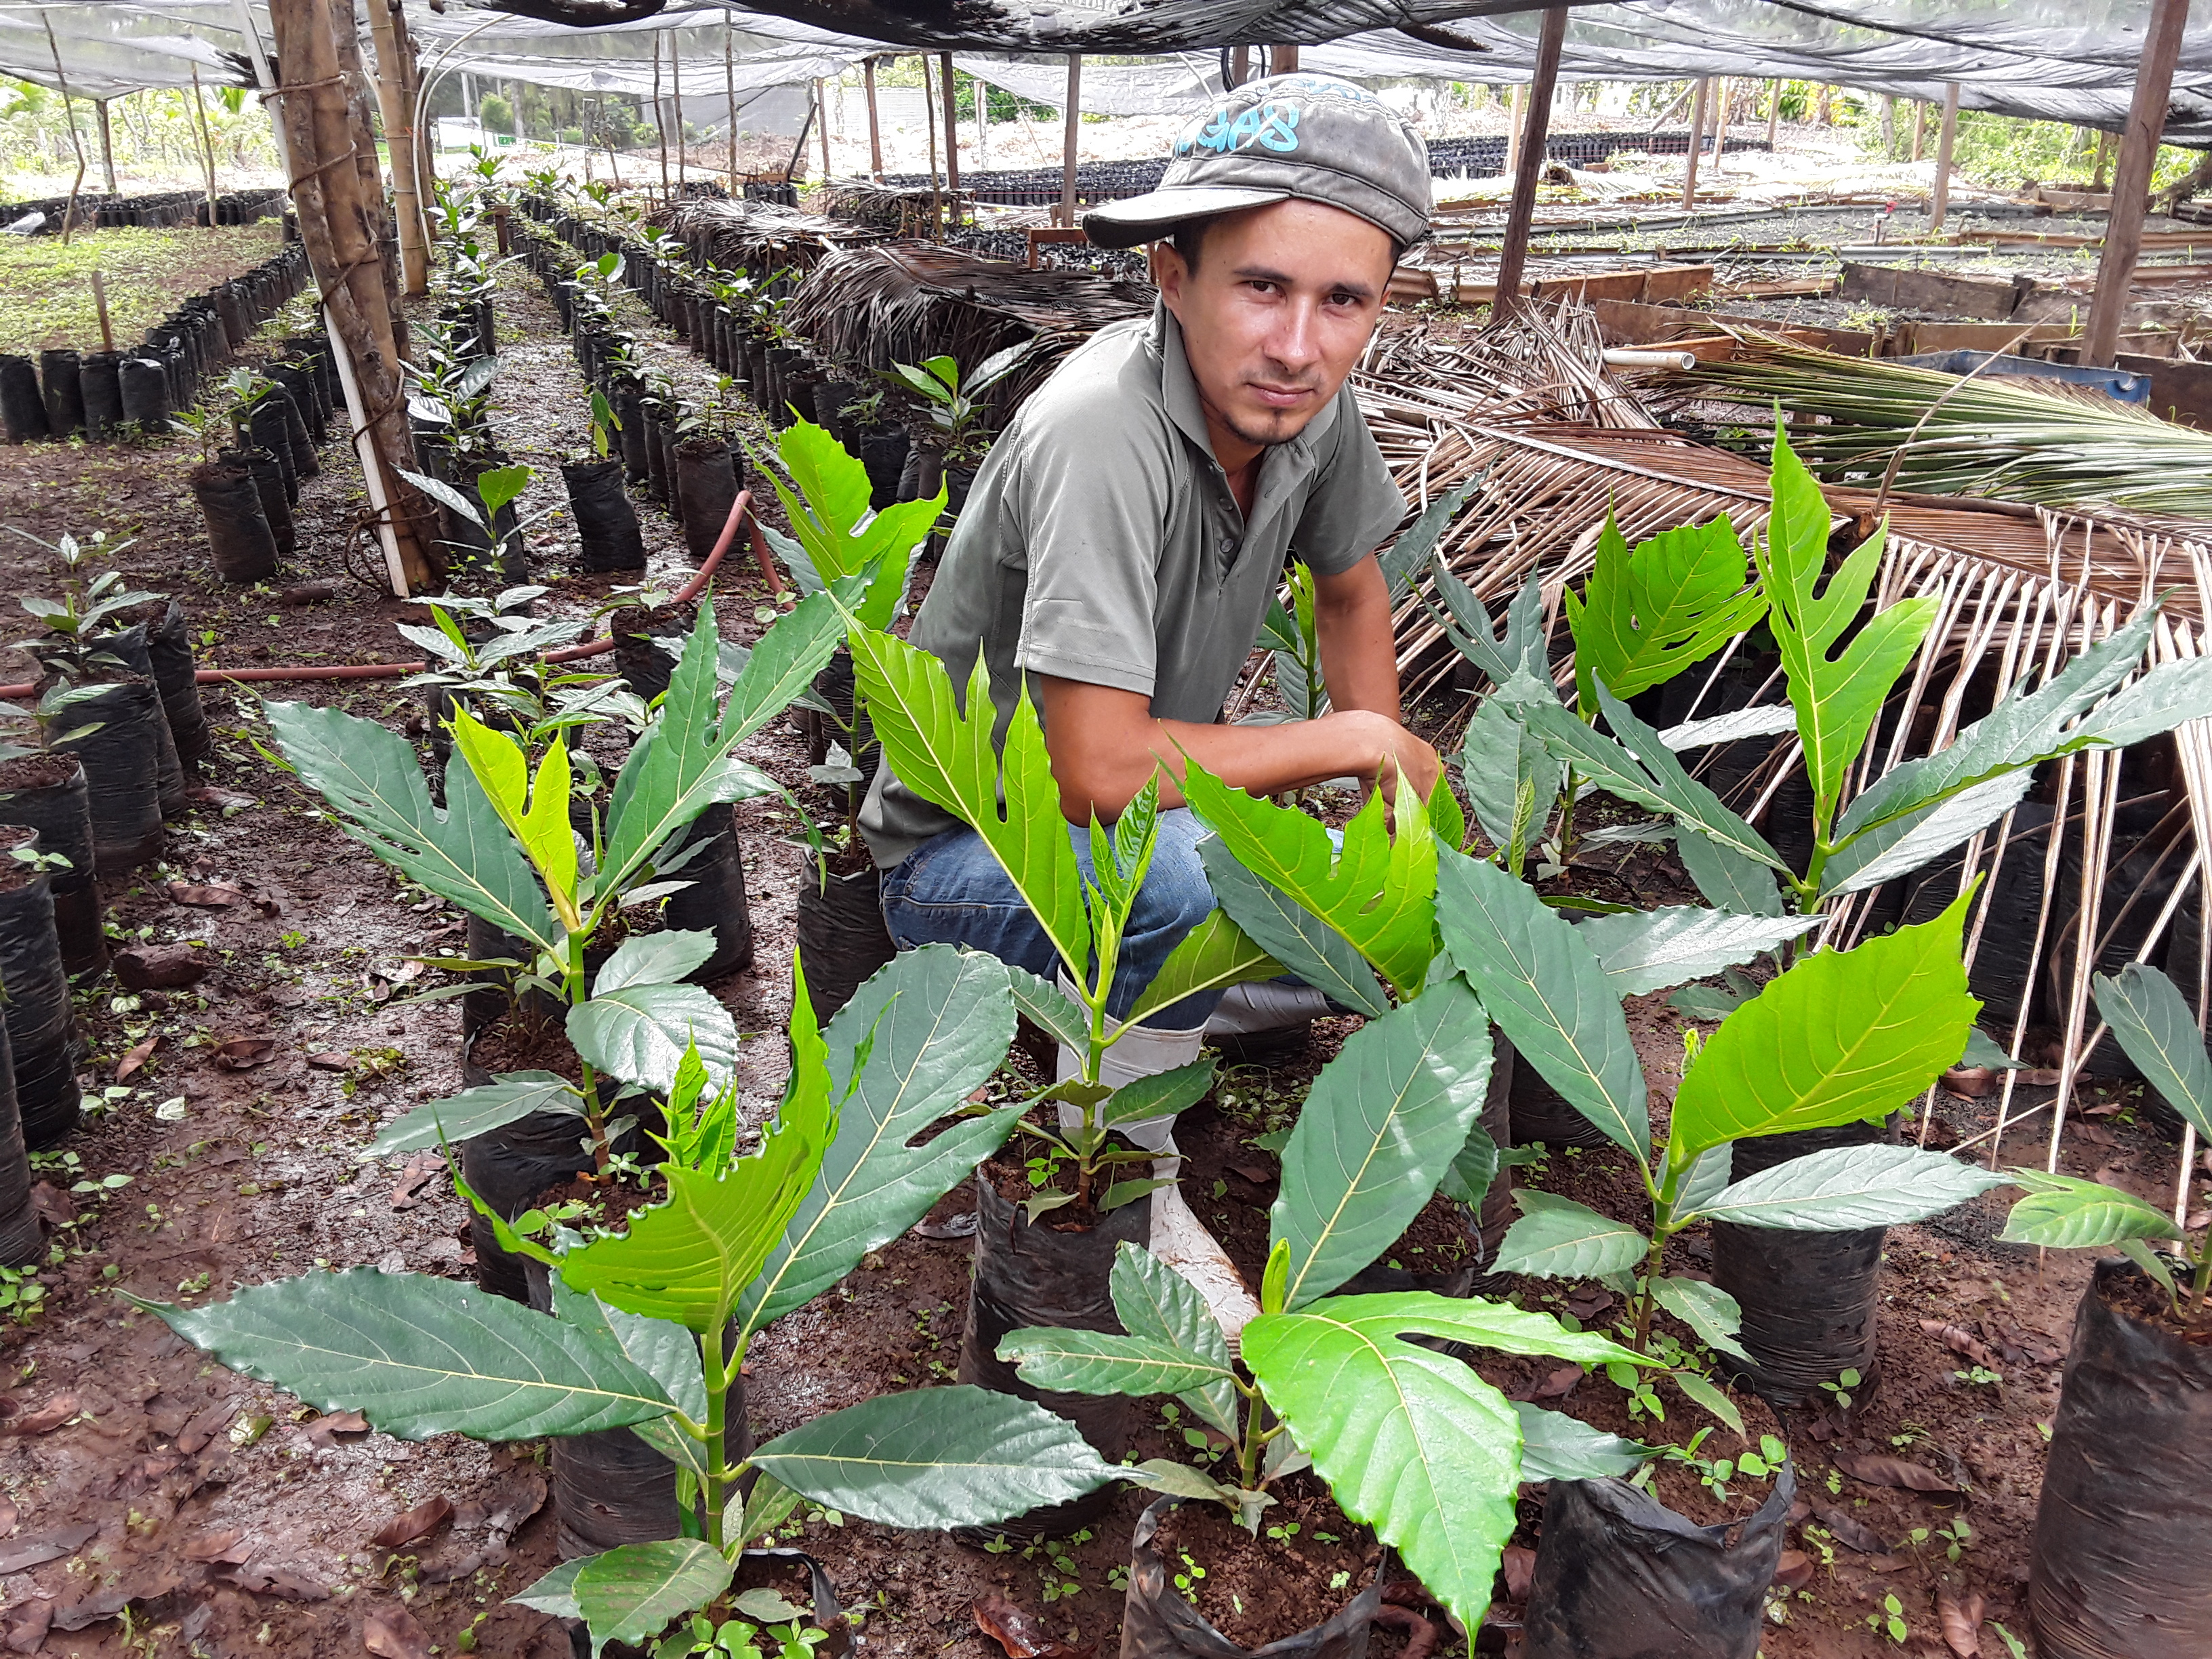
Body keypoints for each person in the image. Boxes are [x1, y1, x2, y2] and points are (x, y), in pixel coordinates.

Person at [857, 74, 1438, 1324]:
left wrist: (1387, 808)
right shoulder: (1100, 435)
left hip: (1132, 819)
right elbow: (1099, 777)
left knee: (1359, 890)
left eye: (1346, 301)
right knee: (1170, 878)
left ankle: (1189, 1002)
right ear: (1172, 276)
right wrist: (1349, 739)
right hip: (969, 853)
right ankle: (1134, 1171)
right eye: (1262, 286)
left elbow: (1348, 595)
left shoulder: (1307, 414)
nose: (1299, 344)